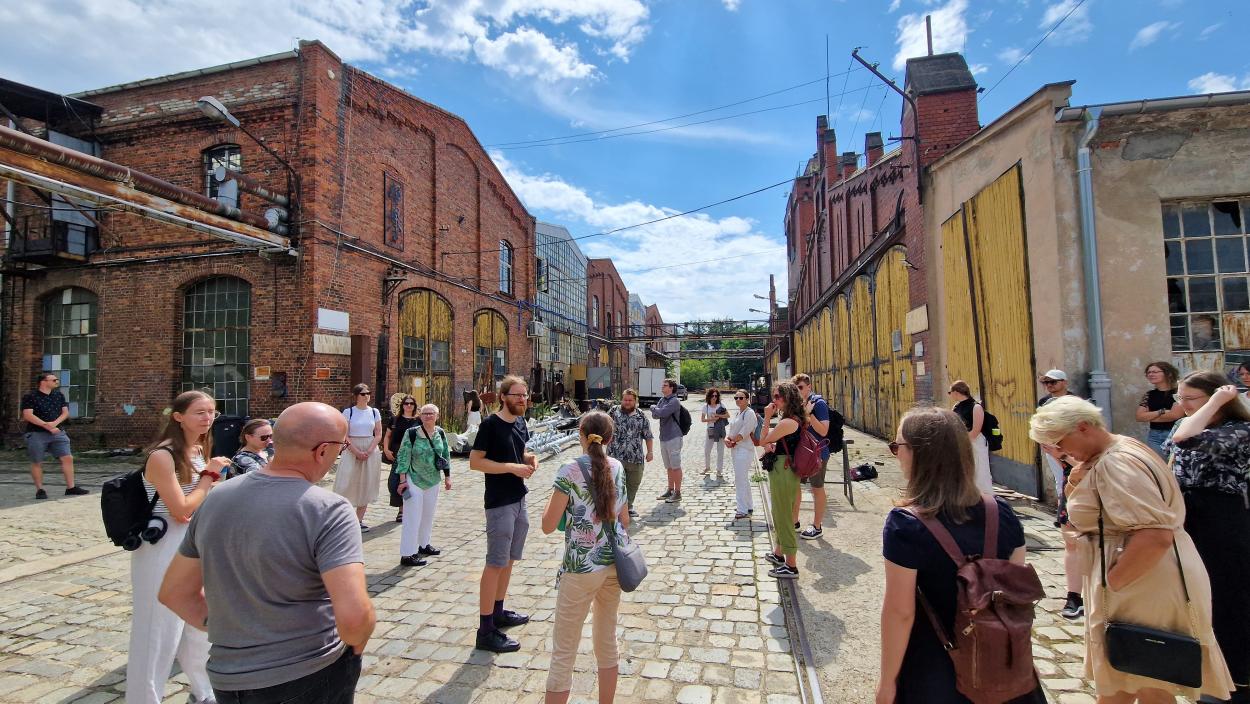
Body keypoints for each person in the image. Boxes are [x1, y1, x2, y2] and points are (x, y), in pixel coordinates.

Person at [159, 402, 376, 704]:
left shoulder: (216, 497)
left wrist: (231, 628)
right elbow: (354, 618)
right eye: (340, 449)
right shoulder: (329, 510)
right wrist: (354, 648)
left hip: (228, 676)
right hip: (306, 671)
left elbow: (173, 593)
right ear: (322, 450)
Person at [1030, 396, 1233, 703]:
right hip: (1145, 572)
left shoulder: (1116, 462)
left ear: (1083, 427)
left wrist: (1114, 581)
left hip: (1143, 577)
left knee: (1139, 670)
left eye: (1058, 442)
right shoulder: (1116, 450)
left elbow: (1154, 534)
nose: (1058, 451)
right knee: (1136, 676)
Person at [876, 406, 1044, 704]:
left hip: (936, 667)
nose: (896, 453)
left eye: (897, 446)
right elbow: (1012, 592)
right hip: (1000, 666)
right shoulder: (1001, 513)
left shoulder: (906, 525)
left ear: (919, 454)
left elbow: (900, 613)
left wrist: (887, 682)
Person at [128, 390, 228, 704]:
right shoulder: (162, 455)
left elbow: (203, 499)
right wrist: (210, 476)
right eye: (200, 411)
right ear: (178, 416)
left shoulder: (199, 448)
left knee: (199, 626)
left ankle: (202, 691)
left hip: (196, 542)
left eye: (212, 411)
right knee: (158, 631)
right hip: (164, 544)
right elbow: (180, 508)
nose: (208, 417)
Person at [1166, 371, 1250, 703]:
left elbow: (1183, 438)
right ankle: (1203, 666)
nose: (1182, 405)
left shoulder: (1240, 430)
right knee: (1193, 595)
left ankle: (1237, 675)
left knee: (1228, 594)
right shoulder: (1189, 422)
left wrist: (1218, 400)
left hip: (1223, 517)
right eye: (1179, 398)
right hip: (1188, 514)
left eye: (1189, 398)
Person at [540, 411, 629, 704]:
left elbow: (548, 524)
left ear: (580, 433)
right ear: (610, 437)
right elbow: (624, 520)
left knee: (564, 649)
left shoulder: (569, 470)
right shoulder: (616, 467)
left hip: (580, 568)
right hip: (612, 566)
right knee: (607, 640)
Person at [469, 375, 537, 653]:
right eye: (517, 395)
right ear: (503, 397)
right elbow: (475, 462)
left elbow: (522, 451)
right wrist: (511, 467)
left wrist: (530, 460)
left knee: (509, 559)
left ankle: (498, 612)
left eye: (525, 395)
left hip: (519, 498)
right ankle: (485, 630)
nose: (522, 399)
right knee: (495, 563)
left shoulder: (520, 422)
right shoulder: (490, 425)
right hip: (499, 503)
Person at [758, 381, 807, 579]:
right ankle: (779, 554)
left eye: (778, 397)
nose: (774, 400)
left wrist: (767, 417)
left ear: (788, 398)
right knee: (780, 511)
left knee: (782, 514)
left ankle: (791, 565)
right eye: (774, 396)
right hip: (786, 467)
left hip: (784, 470)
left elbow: (763, 440)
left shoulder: (788, 422)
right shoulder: (794, 419)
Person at [394, 403, 453, 567]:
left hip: (433, 479)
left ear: (437, 416)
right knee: (412, 517)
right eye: (425, 413)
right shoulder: (412, 433)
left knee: (428, 514)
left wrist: (448, 476)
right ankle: (407, 554)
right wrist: (403, 480)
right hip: (414, 478)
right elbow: (403, 455)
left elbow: (445, 454)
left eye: (431, 413)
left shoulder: (440, 433)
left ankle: (423, 544)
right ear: (420, 416)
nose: (428, 416)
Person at [20, 372, 88, 499]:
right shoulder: (30, 396)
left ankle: (71, 487)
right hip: (36, 433)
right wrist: (46, 425)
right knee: (37, 461)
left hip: (58, 432)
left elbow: (65, 413)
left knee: (67, 457)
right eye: (54, 380)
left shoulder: (58, 395)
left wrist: (54, 424)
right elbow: (28, 415)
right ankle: (40, 489)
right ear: (43, 382)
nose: (57, 382)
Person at [335, 384, 382, 532]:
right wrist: (355, 451)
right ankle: (343, 519)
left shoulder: (374, 412)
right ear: (356, 396)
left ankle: (358, 520)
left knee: (366, 483)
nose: (366, 396)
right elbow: (344, 435)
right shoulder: (349, 412)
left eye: (368, 393)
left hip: (370, 446)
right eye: (363, 394)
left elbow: (378, 433)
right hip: (352, 447)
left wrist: (369, 450)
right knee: (347, 482)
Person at [606, 389, 654, 518]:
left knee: (633, 483)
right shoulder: (613, 412)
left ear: (635, 401)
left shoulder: (641, 415)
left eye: (630, 400)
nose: (627, 402)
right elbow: (603, 428)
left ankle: (628, 506)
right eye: (625, 400)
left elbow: (648, 435)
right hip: (615, 456)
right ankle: (614, 508)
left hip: (635, 456)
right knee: (614, 484)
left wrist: (650, 452)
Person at [948, 380, 993, 493]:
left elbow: (976, 430)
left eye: (950, 392)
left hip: (976, 443)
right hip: (961, 442)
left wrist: (964, 440)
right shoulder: (956, 407)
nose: (950, 395)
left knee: (979, 468)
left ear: (956, 392)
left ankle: (984, 494)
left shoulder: (976, 407)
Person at [382, 396, 420, 523]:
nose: (408, 406)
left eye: (411, 403)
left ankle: (403, 511)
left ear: (414, 406)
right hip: (398, 455)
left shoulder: (418, 421)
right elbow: (387, 436)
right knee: (394, 483)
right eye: (406, 403)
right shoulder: (395, 420)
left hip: (414, 456)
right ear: (402, 405)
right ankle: (401, 507)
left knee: (410, 483)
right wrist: (386, 450)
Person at [1136, 361, 1183, 457]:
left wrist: (1149, 416)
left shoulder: (1179, 392)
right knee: (1159, 467)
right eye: (1148, 372)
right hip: (1154, 436)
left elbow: (1175, 415)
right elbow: (1139, 417)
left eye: (1155, 372)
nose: (1151, 374)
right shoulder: (1149, 394)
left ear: (1168, 373)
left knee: (1174, 467)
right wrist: (1161, 412)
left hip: (1174, 433)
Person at [651, 379, 685, 503]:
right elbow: (655, 415)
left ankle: (678, 492)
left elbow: (663, 412)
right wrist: (656, 410)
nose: (662, 387)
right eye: (663, 384)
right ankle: (670, 490)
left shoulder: (674, 401)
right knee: (669, 466)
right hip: (664, 437)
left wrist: (653, 407)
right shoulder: (662, 400)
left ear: (671, 388)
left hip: (674, 436)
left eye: (665, 385)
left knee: (675, 466)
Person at [725, 389, 757, 520]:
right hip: (736, 449)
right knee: (743, 478)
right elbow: (732, 429)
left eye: (741, 398)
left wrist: (732, 441)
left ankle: (742, 509)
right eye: (736, 398)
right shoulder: (738, 412)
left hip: (744, 450)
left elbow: (744, 433)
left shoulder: (749, 413)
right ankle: (748, 505)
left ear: (747, 399)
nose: (738, 400)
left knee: (740, 480)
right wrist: (727, 438)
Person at [701, 388, 729, 479]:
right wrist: (712, 419)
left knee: (720, 450)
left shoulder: (721, 405)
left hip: (720, 429)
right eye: (712, 395)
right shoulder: (706, 407)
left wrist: (718, 416)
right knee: (707, 450)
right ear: (709, 396)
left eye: (716, 396)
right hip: (710, 429)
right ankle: (707, 467)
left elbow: (728, 415)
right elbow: (702, 419)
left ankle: (719, 470)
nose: (714, 397)